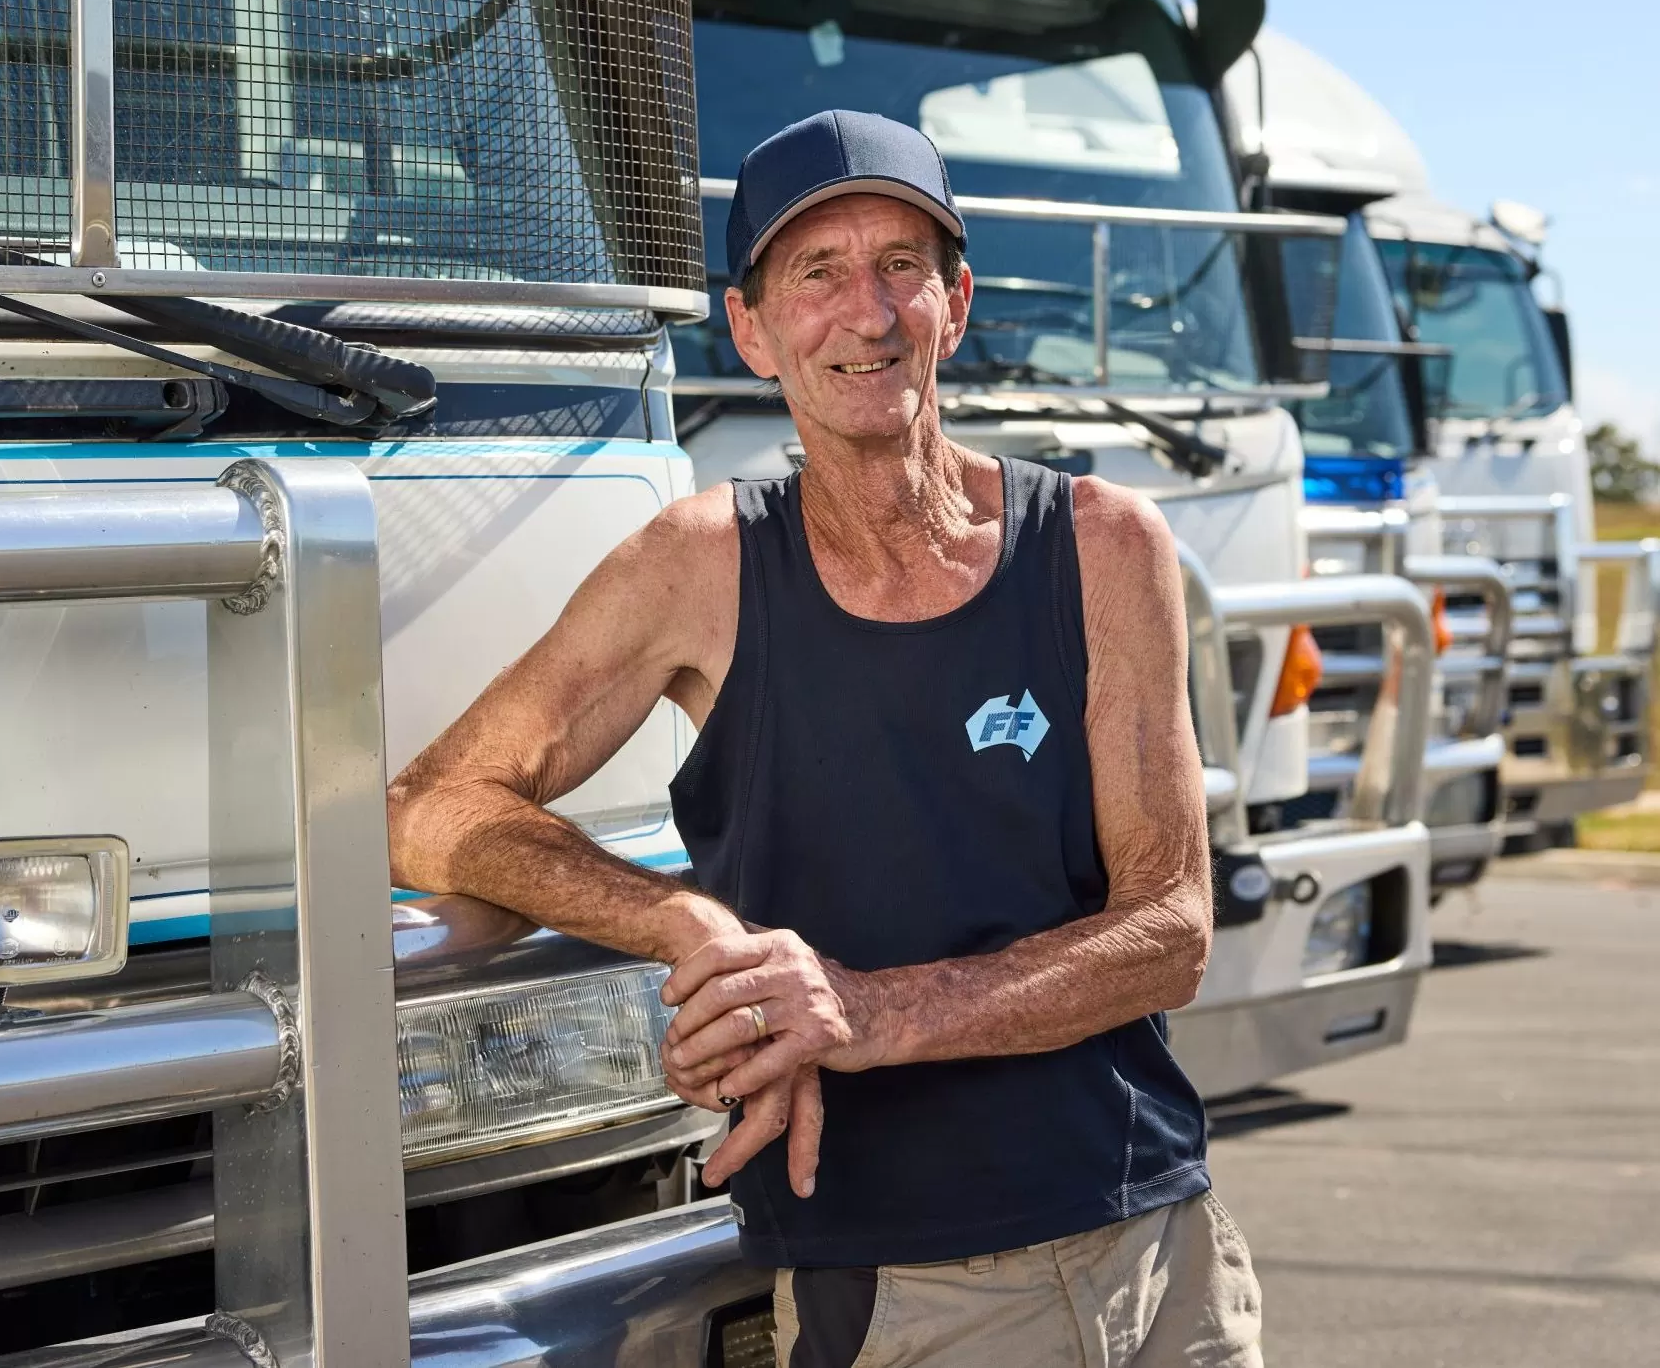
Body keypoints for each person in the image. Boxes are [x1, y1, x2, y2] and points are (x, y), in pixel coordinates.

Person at [387, 109, 1263, 1367]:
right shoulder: (704, 567)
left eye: (903, 267)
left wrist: (865, 1010)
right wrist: (696, 928)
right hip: (897, 1293)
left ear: (954, 302)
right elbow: (434, 804)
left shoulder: (1101, 543)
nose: (869, 313)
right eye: (817, 274)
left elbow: (1170, 933)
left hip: (1161, 1252)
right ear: (750, 327)